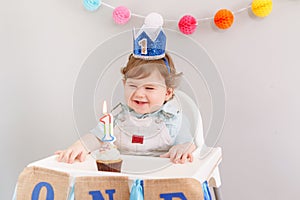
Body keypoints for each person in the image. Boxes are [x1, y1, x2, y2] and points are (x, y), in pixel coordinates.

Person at [55, 14, 196, 164]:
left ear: (167, 93)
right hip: (122, 175)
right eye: (133, 86)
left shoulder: (173, 119)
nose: (139, 93)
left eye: (149, 88)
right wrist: (80, 146)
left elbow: (187, 143)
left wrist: (181, 149)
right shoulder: (117, 117)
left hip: (158, 176)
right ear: (124, 84)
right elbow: (96, 137)